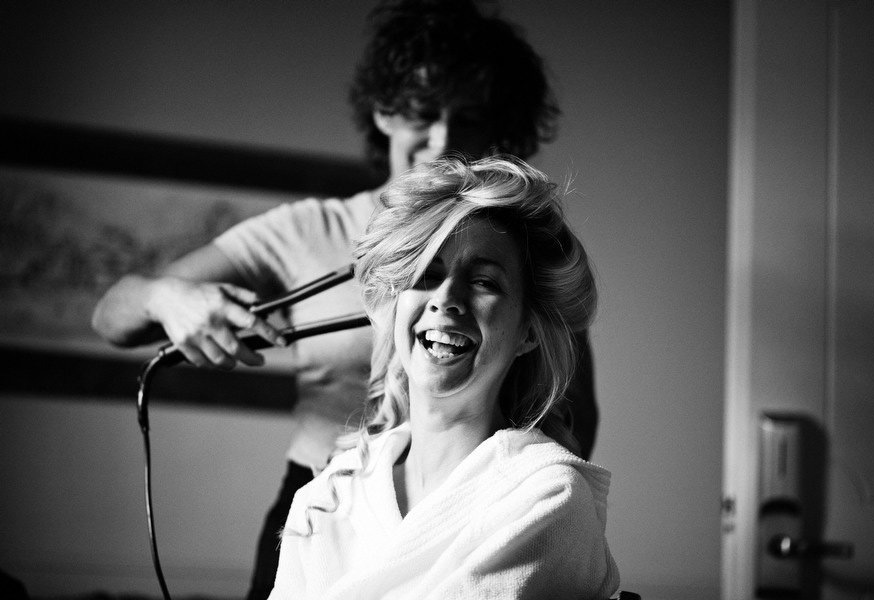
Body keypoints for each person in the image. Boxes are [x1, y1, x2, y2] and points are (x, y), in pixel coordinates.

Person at [91, 1, 598, 598]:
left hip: (471, 501)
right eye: (422, 114)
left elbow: (573, 416)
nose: (443, 139)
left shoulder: (522, 256)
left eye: (468, 119)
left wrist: (510, 499)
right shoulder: (308, 230)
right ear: (384, 112)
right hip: (335, 497)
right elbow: (112, 315)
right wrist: (166, 296)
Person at [269, 156, 619, 600]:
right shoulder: (328, 497)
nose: (446, 299)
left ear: (528, 330)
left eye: (484, 282)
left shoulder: (547, 497)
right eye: (426, 275)